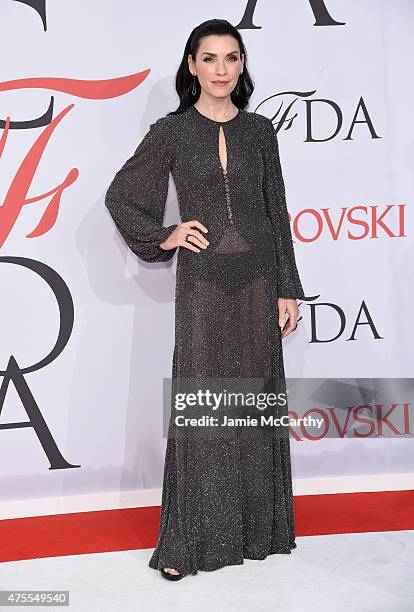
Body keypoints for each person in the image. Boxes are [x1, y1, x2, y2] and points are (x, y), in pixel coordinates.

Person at [104, 19, 306, 581]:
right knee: (202, 406)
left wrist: (289, 288)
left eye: (231, 58)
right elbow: (121, 195)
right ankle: (189, 543)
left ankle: (257, 531)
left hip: (259, 278)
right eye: (210, 58)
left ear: (242, 66)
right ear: (191, 65)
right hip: (203, 283)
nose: (221, 70)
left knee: (254, 403)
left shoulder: (261, 132)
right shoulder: (171, 133)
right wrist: (165, 235)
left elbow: (277, 213)